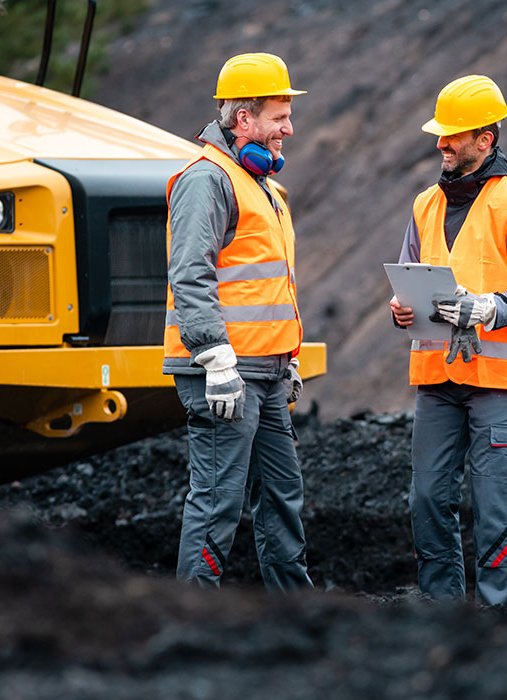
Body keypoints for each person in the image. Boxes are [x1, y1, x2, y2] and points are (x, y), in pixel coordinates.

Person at [390, 75, 507, 607]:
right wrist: (402, 311)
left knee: (494, 506)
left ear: (485, 139)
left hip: (496, 385)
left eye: (453, 136)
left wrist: (491, 307)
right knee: (427, 500)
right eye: (440, 134)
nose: (441, 143)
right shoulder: (425, 205)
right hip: (437, 381)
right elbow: (411, 276)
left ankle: (494, 615)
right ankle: (442, 613)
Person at [163, 53, 312, 592]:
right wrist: (215, 357)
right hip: (225, 368)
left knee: (282, 495)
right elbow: (189, 273)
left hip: (265, 370)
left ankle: (298, 613)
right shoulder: (207, 179)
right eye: (279, 117)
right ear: (243, 119)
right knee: (218, 498)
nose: (288, 129)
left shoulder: (261, 185)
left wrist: (286, 359)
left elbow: (265, 285)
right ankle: (191, 614)